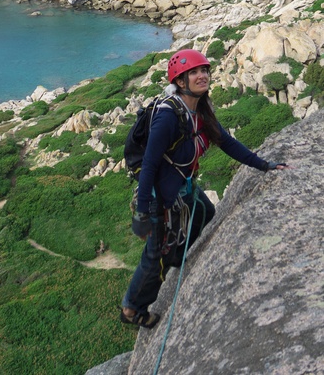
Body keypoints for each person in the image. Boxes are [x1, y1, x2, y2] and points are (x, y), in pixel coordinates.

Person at [120, 49, 288, 329]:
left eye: (204, 71)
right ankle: (132, 308)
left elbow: (227, 142)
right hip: (162, 197)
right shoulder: (168, 116)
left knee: (206, 214)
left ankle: (179, 259)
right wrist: (143, 212)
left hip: (183, 189)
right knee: (155, 255)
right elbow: (149, 165)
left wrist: (263, 165)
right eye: (194, 73)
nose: (202, 76)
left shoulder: (199, 110)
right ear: (180, 82)